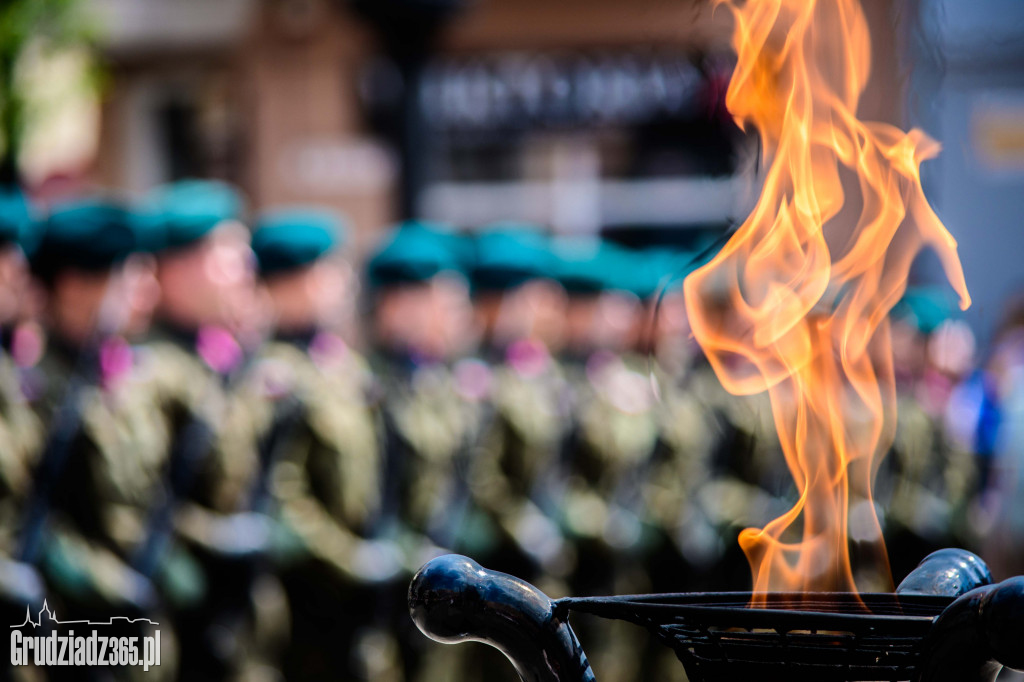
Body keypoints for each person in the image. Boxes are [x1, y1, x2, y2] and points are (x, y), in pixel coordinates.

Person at [247, 206, 405, 681]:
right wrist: (349, 559)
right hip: (307, 595)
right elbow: (280, 495)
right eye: (332, 270)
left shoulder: (341, 365)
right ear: (297, 281)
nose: (345, 283)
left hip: (356, 598)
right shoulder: (271, 375)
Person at [17, 197, 170, 679]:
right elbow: (26, 523)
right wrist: (102, 579)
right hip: (66, 634)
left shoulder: (124, 380)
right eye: (128, 276)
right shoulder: (32, 392)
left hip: (138, 631)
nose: (146, 291)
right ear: (76, 286)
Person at [139, 178, 285, 681]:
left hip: (232, 610)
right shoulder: (152, 370)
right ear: (178, 267)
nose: (245, 268)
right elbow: (140, 503)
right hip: (175, 613)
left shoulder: (213, 356)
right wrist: (210, 537)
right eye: (228, 253)